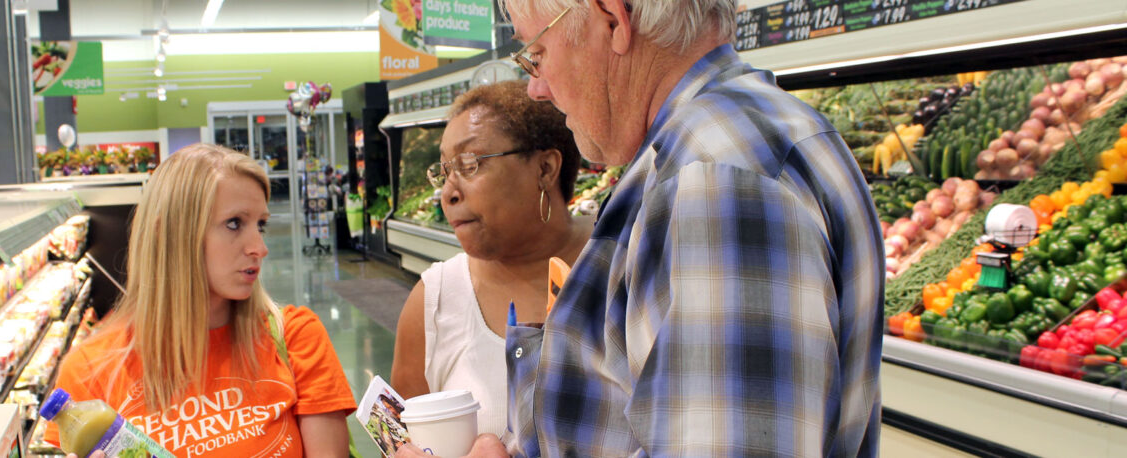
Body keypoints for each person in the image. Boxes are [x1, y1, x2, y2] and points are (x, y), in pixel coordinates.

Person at [403, 0, 885, 456]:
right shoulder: (734, 141)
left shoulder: (714, 179)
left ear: (613, 20)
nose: (537, 87)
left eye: (537, 54)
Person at [46, 143, 356, 457]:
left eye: (260, 225)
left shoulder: (295, 336)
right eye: (234, 223)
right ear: (169, 235)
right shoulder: (90, 371)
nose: (259, 247)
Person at [390, 80, 590, 439]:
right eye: (444, 171)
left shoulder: (621, 265)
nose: (448, 192)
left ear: (545, 168)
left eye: (470, 163)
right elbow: (402, 443)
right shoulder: (433, 302)